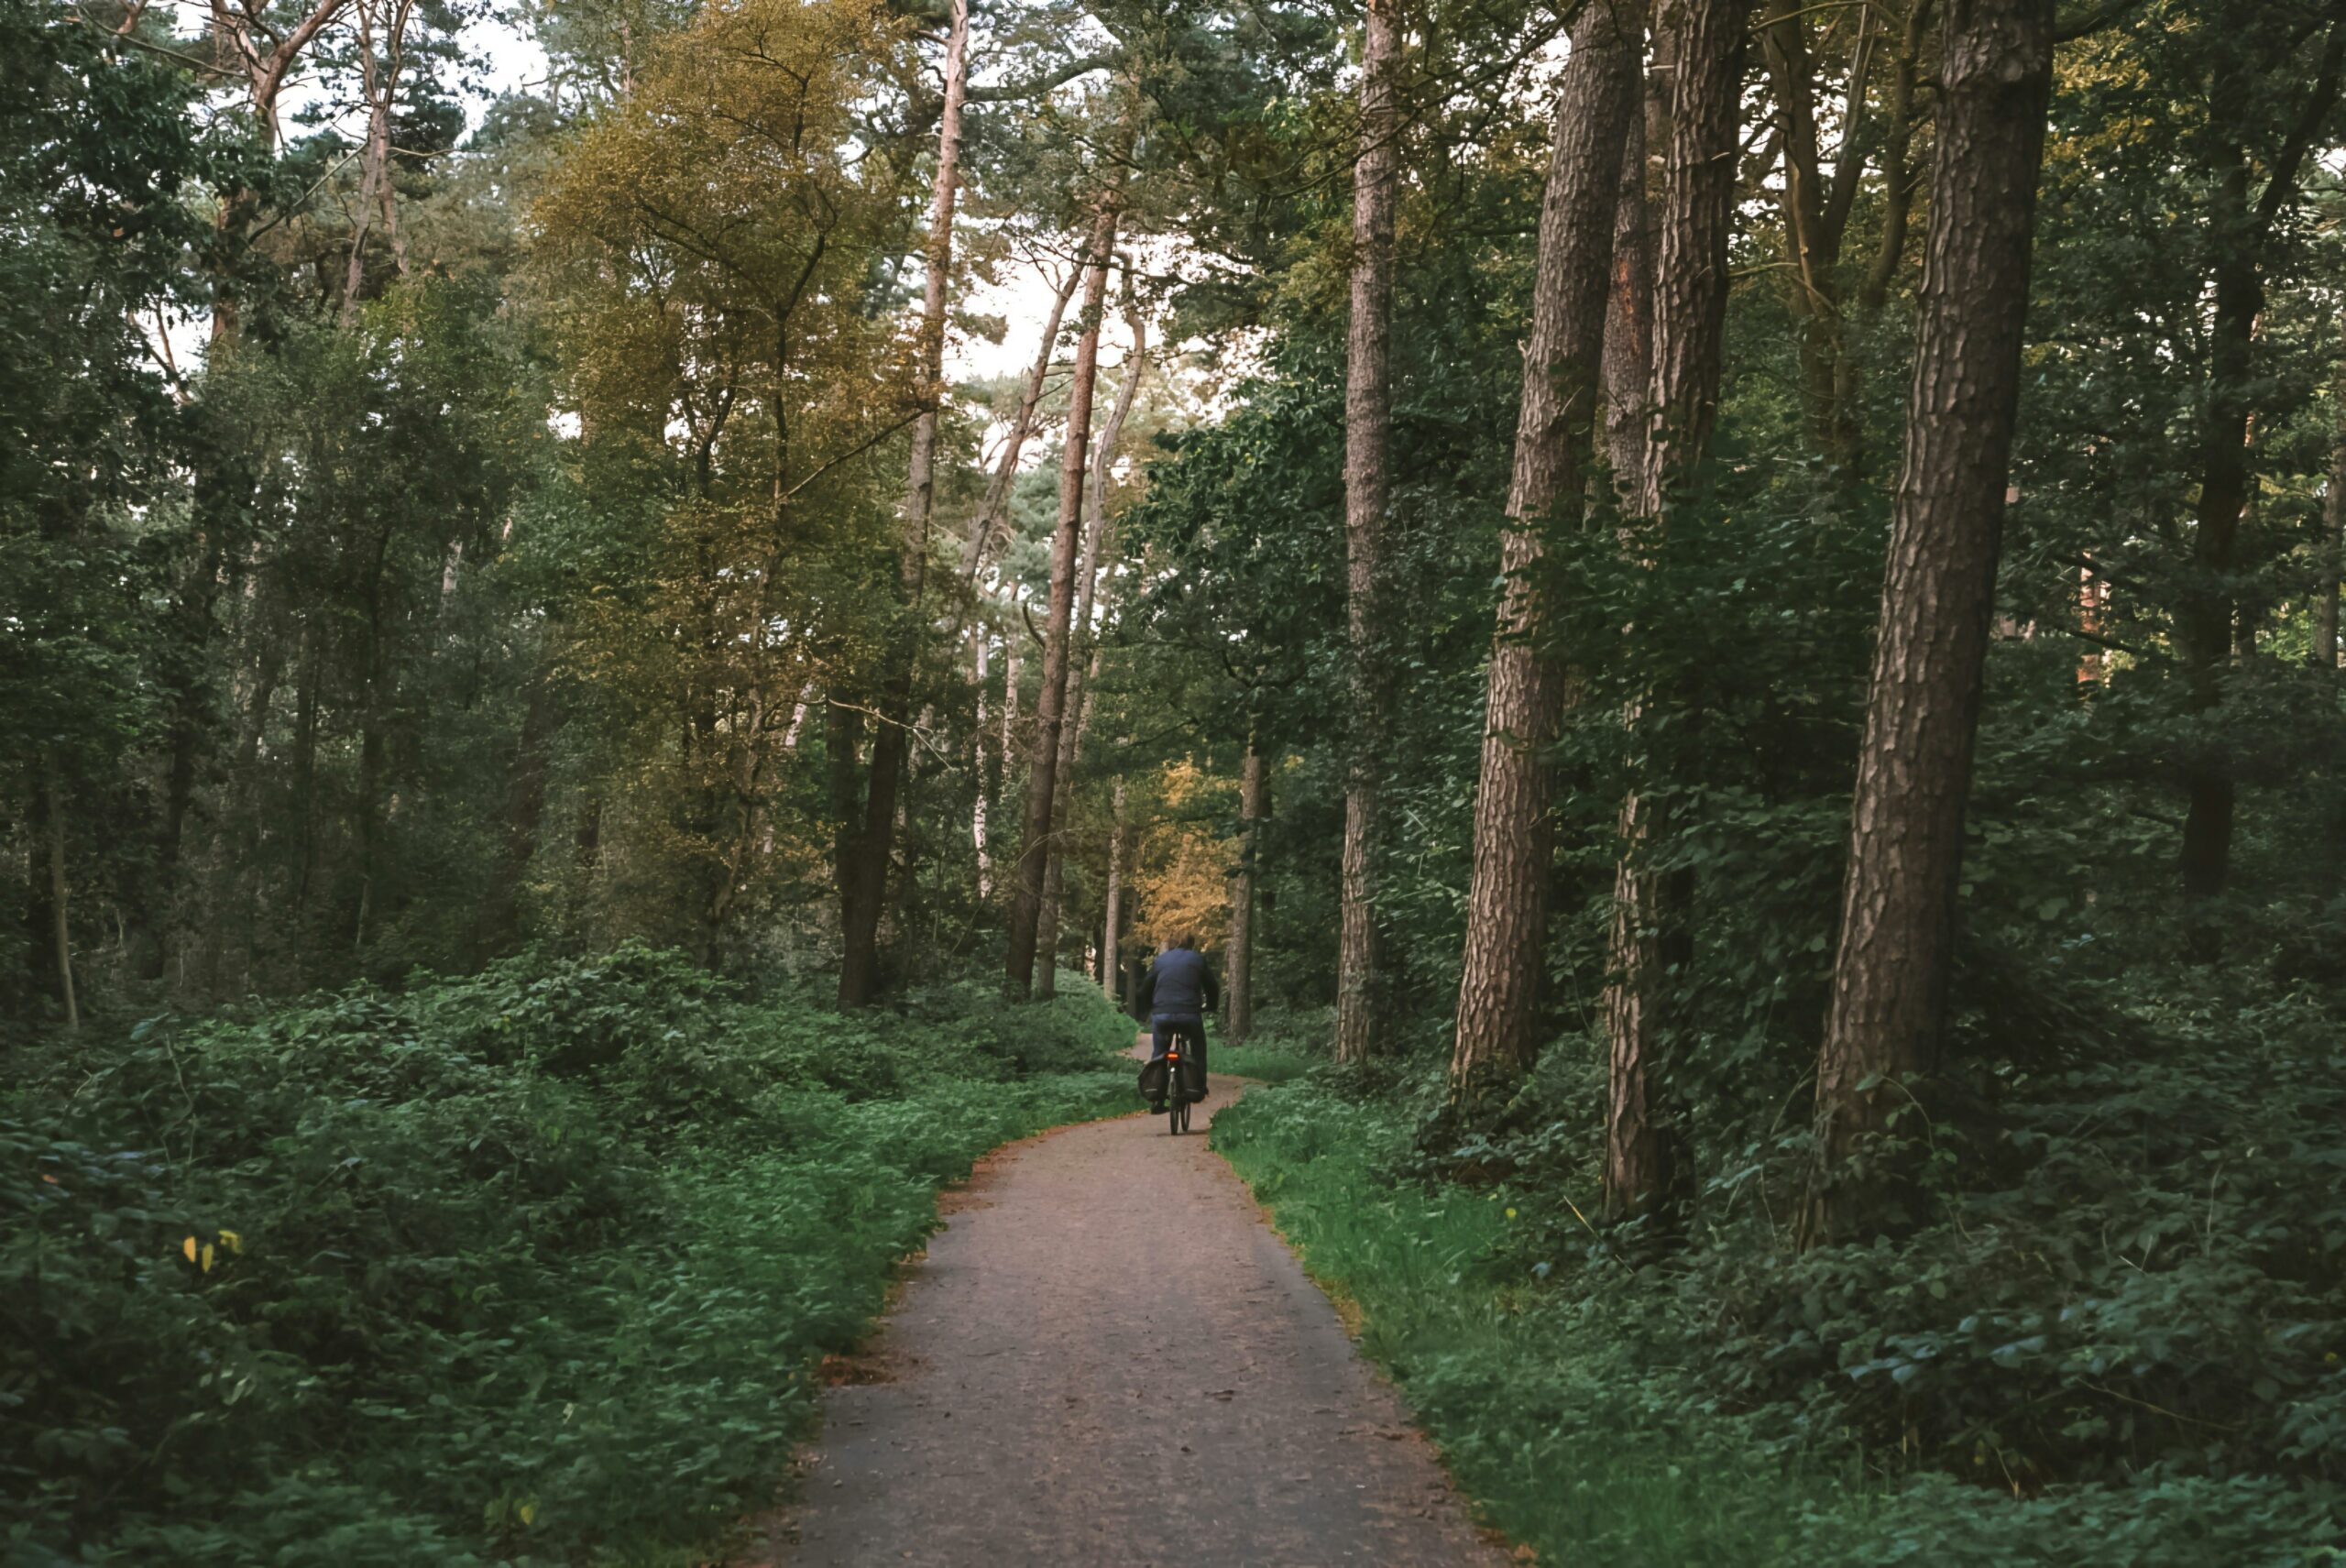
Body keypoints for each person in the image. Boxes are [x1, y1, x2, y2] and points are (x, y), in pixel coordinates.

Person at [1136, 934, 1218, 1107]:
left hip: (1162, 1014)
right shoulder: (1197, 959)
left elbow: (1145, 987)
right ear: (1192, 944)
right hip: (1189, 1014)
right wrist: (1211, 1005)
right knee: (1198, 1047)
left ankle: (1156, 1098)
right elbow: (1212, 986)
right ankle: (1199, 1086)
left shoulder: (1161, 961)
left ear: (1171, 944)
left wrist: (1149, 1007)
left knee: (1159, 1051)